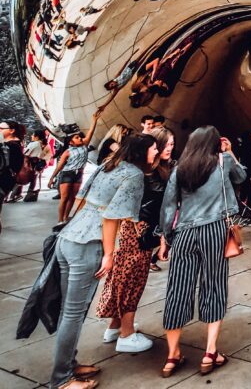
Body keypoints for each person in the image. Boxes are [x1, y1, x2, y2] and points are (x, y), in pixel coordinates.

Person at [49, 133, 154, 389]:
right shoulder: (133, 175)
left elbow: (81, 200)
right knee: (74, 314)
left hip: (69, 237)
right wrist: (109, 254)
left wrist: (71, 226)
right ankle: (61, 380)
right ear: (141, 153)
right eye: (153, 149)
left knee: (69, 312)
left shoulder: (106, 166)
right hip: (88, 246)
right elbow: (112, 217)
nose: (155, 153)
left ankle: (69, 365)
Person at [158, 127, 245, 378]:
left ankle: (172, 356)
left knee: (178, 288)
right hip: (215, 230)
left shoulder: (180, 168)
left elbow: (168, 206)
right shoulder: (223, 161)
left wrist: (166, 236)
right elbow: (241, 177)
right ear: (216, 143)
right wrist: (230, 152)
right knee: (214, 285)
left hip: (184, 233)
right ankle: (210, 353)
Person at [96, 129, 173, 353]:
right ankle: (126, 335)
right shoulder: (137, 175)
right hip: (135, 234)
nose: (165, 149)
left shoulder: (141, 171)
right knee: (131, 281)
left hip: (135, 233)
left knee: (122, 278)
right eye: (161, 146)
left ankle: (115, 326)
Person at [48, 131, 88, 224]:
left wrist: (94, 121)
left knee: (72, 198)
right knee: (64, 198)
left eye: (79, 137)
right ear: (71, 142)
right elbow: (60, 166)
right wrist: (51, 178)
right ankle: (60, 220)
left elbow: (90, 133)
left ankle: (66, 217)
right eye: (76, 138)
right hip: (67, 174)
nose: (80, 138)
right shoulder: (67, 152)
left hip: (79, 175)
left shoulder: (85, 147)